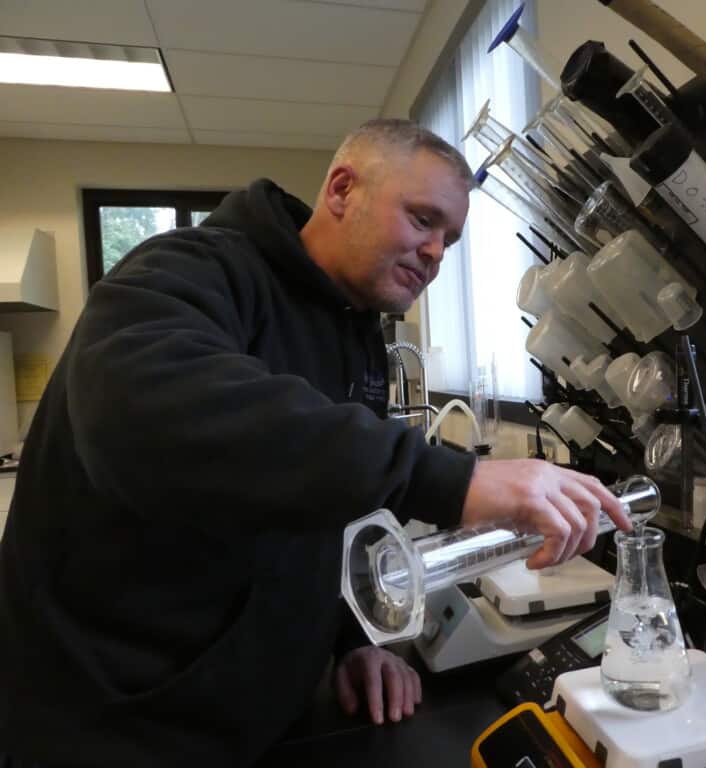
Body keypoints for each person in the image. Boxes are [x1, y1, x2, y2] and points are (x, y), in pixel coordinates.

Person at [0, 119, 630, 767]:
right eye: (422, 219)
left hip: (259, 714)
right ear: (341, 190)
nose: (438, 252)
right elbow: (138, 417)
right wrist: (454, 480)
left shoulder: (358, 337)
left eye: (450, 238)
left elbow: (322, 503)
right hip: (116, 726)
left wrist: (350, 639)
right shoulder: (188, 268)